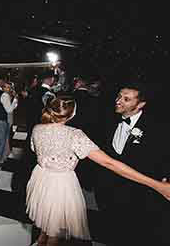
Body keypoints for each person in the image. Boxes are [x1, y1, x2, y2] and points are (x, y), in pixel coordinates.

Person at [26, 95, 170, 246]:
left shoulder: (37, 128)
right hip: (61, 184)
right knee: (55, 233)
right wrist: (157, 185)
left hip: (41, 178)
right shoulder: (74, 135)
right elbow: (109, 163)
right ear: (73, 114)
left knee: (45, 223)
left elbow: (34, 149)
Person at [94, 82, 169, 246]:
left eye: (126, 99)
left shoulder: (157, 127)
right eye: (119, 96)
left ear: (140, 104)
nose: (118, 101)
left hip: (140, 198)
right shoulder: (107, 121)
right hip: (109, 195)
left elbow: (165, 156)